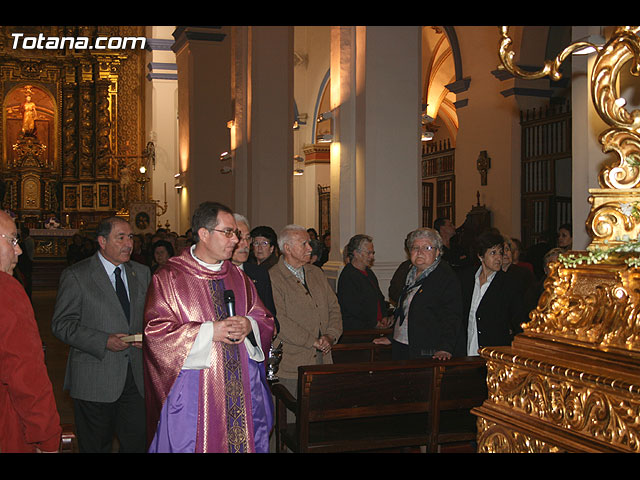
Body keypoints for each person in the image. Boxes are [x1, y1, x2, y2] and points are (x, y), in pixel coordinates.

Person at [143, 202, 275, 453]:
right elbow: (156, 332)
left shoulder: (239, 277)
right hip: (196, 394)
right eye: (228, 232)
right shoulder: (169, 277)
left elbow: (264, 318)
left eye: (235, 233)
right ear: (203, 234)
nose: (235, 240)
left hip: (241, 391)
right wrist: (207, 332)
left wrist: (249, 325)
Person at [51, 216, 151, 453]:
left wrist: (145, 335)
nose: (129, 244)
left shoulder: (142, 273)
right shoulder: (77, 275)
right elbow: (62, 324)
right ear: (102, 241)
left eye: (131, 237)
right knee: (96, 446)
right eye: (121, 238)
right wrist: (103, 341)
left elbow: (152, 316)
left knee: (137, 444)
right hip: (95, 378)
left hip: (135, 379)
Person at [0, 210, 61, 453]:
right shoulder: (6, 291)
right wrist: (46, 437)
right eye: (12, 240)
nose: (19, 250)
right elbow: (26, 374)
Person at [269, 225, 342, 398]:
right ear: (287, 248)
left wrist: (331, 335)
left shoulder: (316, 273)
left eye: (309, 243)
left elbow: (334, 307)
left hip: (322, 360)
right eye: (304, 244)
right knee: (294, 420)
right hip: (292, 364)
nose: (310, 248)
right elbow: (280, 320)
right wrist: (313, 341)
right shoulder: (273, 277)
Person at [381, 228, 462, 360]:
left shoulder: (445, 276)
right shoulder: (409, 272)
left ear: (438, 252)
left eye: (427, 248)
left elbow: (453, 316)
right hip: (402, 343)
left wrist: (445, 347)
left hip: (428, 348)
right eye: (415, 248)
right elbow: (406, 310)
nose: (420, 252)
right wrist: (393, 337)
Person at [458, 230, 528, 357]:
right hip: (467, 350)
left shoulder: (509, 283)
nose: (498, 258)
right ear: (481, 256)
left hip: (495, 353)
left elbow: (519, 318)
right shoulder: (467, 278)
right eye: (493, 253)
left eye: (500, 253)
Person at [337, 234, 393, 331]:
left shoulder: (368, 272)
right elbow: (353, 309)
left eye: (373, 253)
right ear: (356, 253)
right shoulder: (349, 276)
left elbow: (379, 297)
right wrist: (374, 323)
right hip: (360, 331)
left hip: (375, 327)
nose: (372, 256)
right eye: (369, 253)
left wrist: (384, 316)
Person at [232, 213, 278, 320]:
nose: (245, 245)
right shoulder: (215, 273)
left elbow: (271, 316)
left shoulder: (259, 273)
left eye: (248, 239)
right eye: (239, 238)